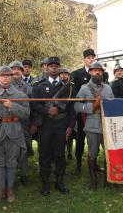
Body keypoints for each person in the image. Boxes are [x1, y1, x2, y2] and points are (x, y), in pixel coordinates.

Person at [0, 65, 30, 203]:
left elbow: (26, 114)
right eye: (3, 75)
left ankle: (10, 189)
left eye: (8, 75)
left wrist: (12, 106)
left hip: (14, 132)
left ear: (12, 77)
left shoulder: (20, 95)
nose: (5, 78)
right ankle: (1, 190)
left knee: (11, 162)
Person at [32, 56, 75, 196]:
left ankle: (59, 181)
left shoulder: (67, 87)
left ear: (60, 67)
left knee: (60, 154)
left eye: (56, 66)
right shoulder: (39, 86)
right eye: (51, 66)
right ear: (46, 68)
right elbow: (33, 104)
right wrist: (47, 110)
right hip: (46, 125)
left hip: (62, 125)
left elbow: (71, 108)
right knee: (44, 154)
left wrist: (70, 126)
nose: (54, 68)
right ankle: (45, 183)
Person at [74, 61, 114, 191]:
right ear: (90, 72)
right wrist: (92, 107)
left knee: (109, 152)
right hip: (92, 124)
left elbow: (113, 104)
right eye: (95, 70)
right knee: (92, 153)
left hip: (107, 125)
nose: (98, 72)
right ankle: (93, 180)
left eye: (100, 70)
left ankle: (108, 179)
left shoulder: (108, 88)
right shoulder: (84, 88)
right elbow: (77, 106)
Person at [70, 48, 96, 175]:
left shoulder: (99, 73)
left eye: (92, 57)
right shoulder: (76, 74)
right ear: (84, 60)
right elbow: (74, 95)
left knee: (95, 138)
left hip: (96, 111)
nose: (91, 59)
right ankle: (78, 164)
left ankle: (94, 163)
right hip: (83, 113)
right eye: (88, 58)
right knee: (80, 139)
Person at [9, 61, 33, 186]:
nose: (16, 71)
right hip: (7, 124)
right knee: (9, 150)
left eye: (19, 69)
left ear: (22, 72)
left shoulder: (29, 87)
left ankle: (24, 175)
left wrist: (35, 123)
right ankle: (10, 176)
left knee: (23, 150)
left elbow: (33, 107)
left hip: (24, 124)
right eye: (13, 69)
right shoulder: (3, 85)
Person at [59, 67, 76, 160]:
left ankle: (69, 152)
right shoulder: (57, 84)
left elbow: (73, 98)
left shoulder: (72, 85)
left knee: (70, 135)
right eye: (62, 73)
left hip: (70, 112)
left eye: (66, 74)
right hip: (60, 113)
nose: (64, 75)